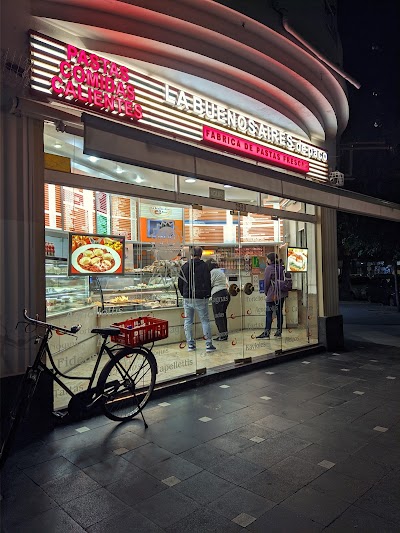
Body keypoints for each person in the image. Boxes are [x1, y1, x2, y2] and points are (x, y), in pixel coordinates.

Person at [178, 247, 216, 352]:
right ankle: (208, 344)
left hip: (187, 298)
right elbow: (208, 281)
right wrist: (207, 294)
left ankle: (190, 344)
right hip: (200, 297)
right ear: (201, 254)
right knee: (205, 321)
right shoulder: (204, 266)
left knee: (188, 321)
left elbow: (180, 283)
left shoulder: (185, 266)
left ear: (191, 254)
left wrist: (184, 294)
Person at [257, 252, 289, 338]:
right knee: (279, 313)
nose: (266, 260)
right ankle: (279, 332)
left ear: (270, 260)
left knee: (269, 314)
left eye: (267, 259)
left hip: (272, 295)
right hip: (281, 294)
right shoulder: (282, 267)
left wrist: (266, 292)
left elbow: (266, 282)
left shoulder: (269, 268)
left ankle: (267, 333)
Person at [206, 259, 230, 341]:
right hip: (225, 293)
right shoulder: (220, 271)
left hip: (217, 294)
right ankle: (224, 334)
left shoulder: (212, 272)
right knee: (222, 315)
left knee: (218, 316)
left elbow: (210, 284)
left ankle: (222, 336)